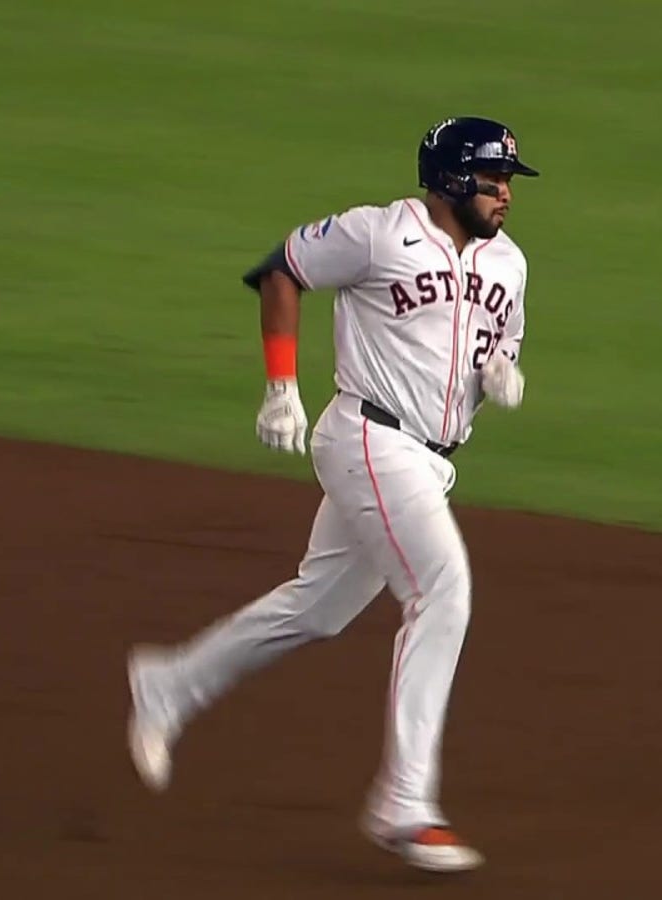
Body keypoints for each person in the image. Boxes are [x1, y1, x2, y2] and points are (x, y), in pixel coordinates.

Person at [125, 115, 538, 874]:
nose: (506, 194)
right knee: (442, 590)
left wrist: (501, 368)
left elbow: (500, 336)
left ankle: (170, 684)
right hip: (370, 439)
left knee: (317, 608)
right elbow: (281, 269)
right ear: (450, 179)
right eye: (492, 178)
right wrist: (281, 385)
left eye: (508, 180)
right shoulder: (378, 234)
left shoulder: (509, 263)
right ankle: (404, 803)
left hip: (430, 461)